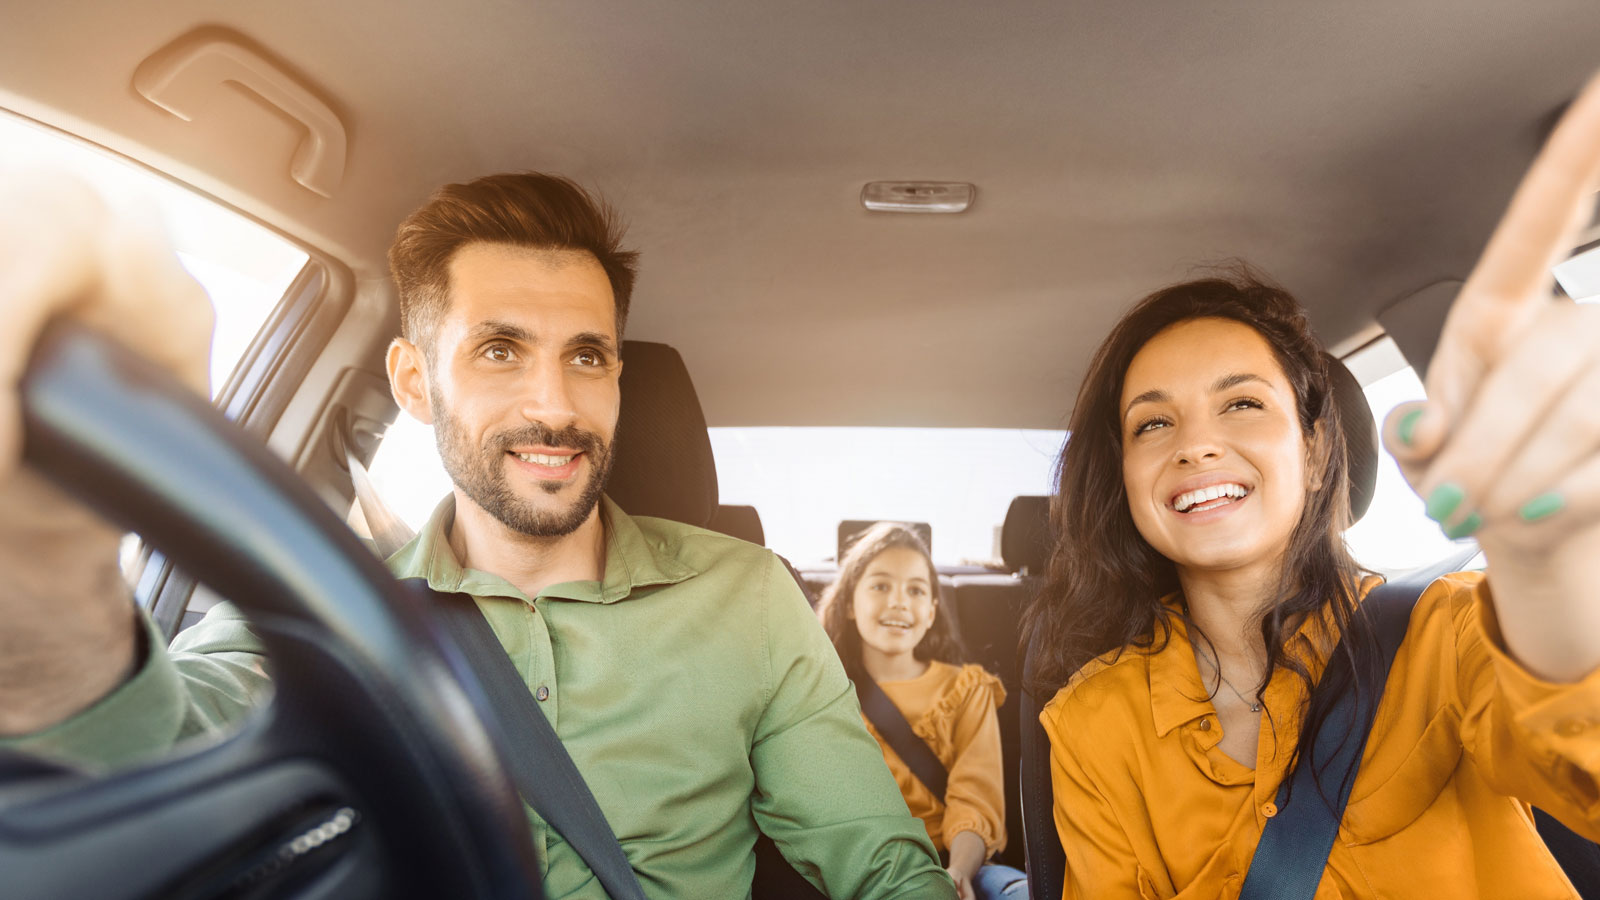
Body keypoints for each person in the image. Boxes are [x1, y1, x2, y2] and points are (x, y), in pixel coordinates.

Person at [0, 171, 957, 899]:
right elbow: (138, 748)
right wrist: (48, 562)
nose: (555, 404)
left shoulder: (746, 594)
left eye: (588, 357)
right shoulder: (328, 611)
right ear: (415, 382)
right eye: (499, 351)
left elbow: (877, 862)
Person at [1022, 72, 1600, 898]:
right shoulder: (1090, 723)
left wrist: (1548, 568)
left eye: (1243, 405)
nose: (1196, 446)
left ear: (1318, 449)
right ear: (1123, 479)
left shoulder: (1442, 637)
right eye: (1153, 423)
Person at [818, 522, 1028, 900]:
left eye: (915, 590)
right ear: (850, 602)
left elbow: (975, 799)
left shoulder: (966, 690)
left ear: (931, 612)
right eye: (880, 586)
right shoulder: (822, 694)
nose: (899, 601)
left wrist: (958, 873)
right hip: (860, 874)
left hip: (954, 863)